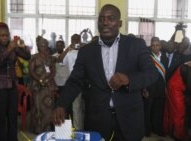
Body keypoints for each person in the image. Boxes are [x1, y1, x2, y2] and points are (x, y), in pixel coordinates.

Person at [53, 4, 158, 141]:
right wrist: (61, 104)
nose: (105, 23)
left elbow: (152, 73)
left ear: (120, 23)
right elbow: (75, 81)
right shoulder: (87, 51)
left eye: (111, 18)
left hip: (130, 119)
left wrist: (129, 79)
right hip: (98, 120)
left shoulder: (135, 45)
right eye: (101, 19)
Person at [0, 22, 31, 141]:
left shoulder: (12, 45)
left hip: (12, 86)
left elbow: (27, 56)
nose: (5, 37)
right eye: (2, 35)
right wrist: (8, 50)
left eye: (7, 35)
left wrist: (22, 46)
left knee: (12, 117)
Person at [29, 36, 57, 134]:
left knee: (48, 108)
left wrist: (48, 79)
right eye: (41, 45)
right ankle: (38, 130)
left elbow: (53, 71)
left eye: (45, 44)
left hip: (48, 85)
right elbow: (31, 71)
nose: (43, 46)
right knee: (38, 108)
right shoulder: (34, 57)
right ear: (38, 46)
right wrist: (40, 80)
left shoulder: (50, 57)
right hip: (38, 86)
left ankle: (47, 129)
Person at [143, 37, 166, 137]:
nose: (155, 47)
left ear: (160, 46)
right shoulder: (147, 57)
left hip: (161, 89)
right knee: (148, 111)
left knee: (158, 111)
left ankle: (157, 129)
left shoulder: (165, 57)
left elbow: (166, 74)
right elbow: (143, 74)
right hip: (149, 88)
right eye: (153, 45)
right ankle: (147, 131)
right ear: (150, 46)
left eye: (157, 45)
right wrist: (144, 88)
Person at [164, 61, 191, 141]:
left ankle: (172, 131)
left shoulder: (188, 65)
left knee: (173, 112)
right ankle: (178, 135)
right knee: (179, 113)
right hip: (175, 90)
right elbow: (190, 86)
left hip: (177, 89)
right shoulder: (187, 68)